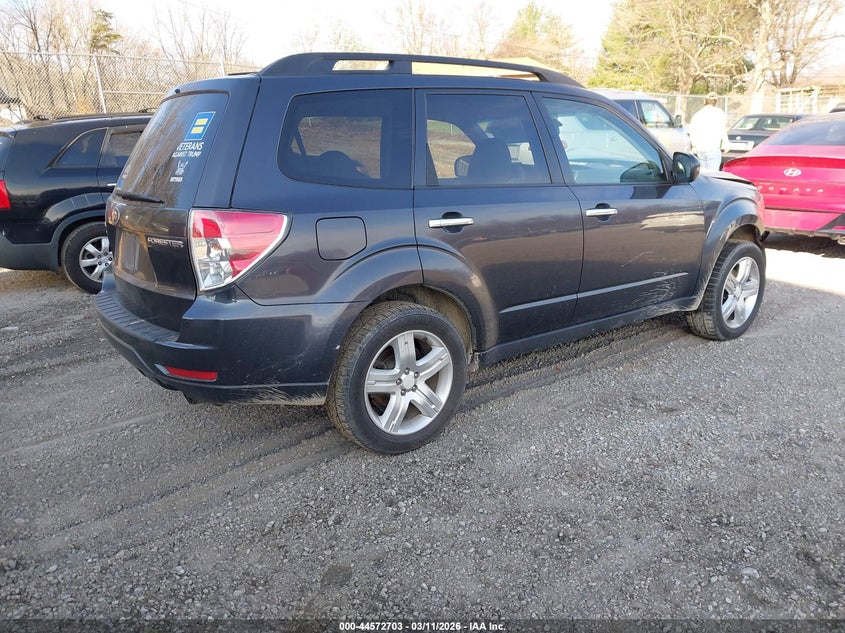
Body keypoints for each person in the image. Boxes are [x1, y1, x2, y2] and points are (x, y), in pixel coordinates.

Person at [689, 92, 729, 172]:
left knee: (703, 174)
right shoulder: (719, 113)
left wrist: (694, 146)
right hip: (713, 148)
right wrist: (726, 143)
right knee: (713, 175)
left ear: (705, 101)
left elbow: (692, 131)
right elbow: (721, 129)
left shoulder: (698, 114)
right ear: (715, 102)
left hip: (700, 149)